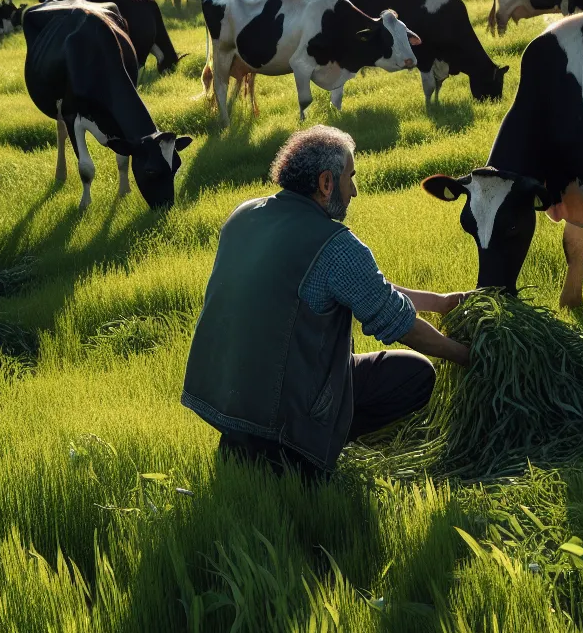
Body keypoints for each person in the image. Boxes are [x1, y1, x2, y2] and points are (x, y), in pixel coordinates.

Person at [181, 125, 470, 478]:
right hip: (284, 407)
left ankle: (249, 447)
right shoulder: (335, 244)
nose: (355, 191)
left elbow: (367, 289)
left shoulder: (244, 215)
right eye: (350, 177)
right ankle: (303, 455)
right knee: (416, 374)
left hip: (226, 399)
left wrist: (439, 303)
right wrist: (465, 355)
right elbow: (400, 325)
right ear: (326, 183)